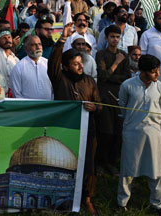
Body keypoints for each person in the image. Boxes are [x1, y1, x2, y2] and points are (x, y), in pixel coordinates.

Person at [49, 23, 102, 214]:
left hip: (88, 130)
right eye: (75, 64)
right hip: (66, 130)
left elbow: (100, 104)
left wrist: (94, 107)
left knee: (88, 163)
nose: (80, 67)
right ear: (65, 66)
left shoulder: (89, 81)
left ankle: (87, 198)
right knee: (64, 163)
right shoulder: (59, 77)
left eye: (81, 63)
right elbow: (53, 62)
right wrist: (62, 39)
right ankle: (63, 197)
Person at [117, 55, 161, 215]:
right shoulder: (127, 86)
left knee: (157, 170)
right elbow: (122, 108)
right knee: (128, 169)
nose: (157, 75)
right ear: (143, 72)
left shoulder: (160, 87)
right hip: (132, 133)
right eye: (154, 72)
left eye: (157, 71)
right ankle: (122, 202)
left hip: (154, 134)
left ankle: (157, 204)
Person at [95, 24, 131, 175]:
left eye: (117, 37)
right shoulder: (101, 54)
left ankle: (111, 162)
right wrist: (116, 63)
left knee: (117, 132)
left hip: (119, 97)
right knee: (105, 131)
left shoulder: (124, 54)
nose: (115, 40)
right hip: (105, 96)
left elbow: (127, 77)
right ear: (106, 38)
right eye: (112, 37)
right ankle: (100, 162)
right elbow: (102, 76)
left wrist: (112, 76)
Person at [10, 35, 53, 100]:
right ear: (26, 48)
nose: (38, 47)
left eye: (39, 44)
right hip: (29, 108)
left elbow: (55, 88)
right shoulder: (18, 68)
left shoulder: (48, 64)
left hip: (50, 107)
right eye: (33, 45)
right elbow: (16, 94)